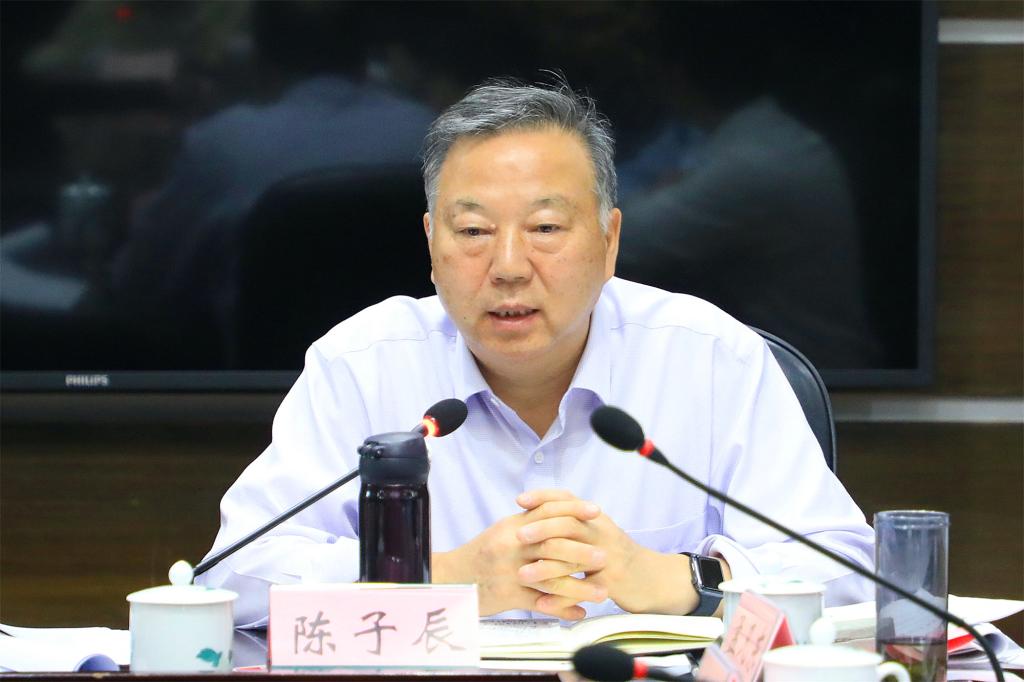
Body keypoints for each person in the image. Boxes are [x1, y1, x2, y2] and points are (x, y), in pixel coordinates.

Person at [196, 79, 874, 628]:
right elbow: (234, 576)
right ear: (431, 243)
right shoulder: (361, 365)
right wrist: (441, 576)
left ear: (609, 242)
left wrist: (674, 578)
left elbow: (846, 569)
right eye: (473, 231)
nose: (509, 266)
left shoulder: (712, 359)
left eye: (546, 227)